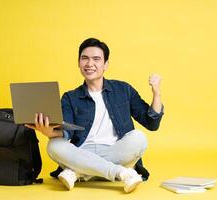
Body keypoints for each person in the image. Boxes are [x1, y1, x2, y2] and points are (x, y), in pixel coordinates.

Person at [25, 38, 164, 193]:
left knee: (139, 138)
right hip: (82, 150)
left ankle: (78, 172)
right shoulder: (70, 97)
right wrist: (47, 131)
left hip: (114, 150)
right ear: (78, 63)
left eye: (96, 59)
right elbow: (66, 133)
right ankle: (121, 173)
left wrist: (156, 93)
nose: (89, 64)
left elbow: (151, 124)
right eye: (85, 58)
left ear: (105, 65)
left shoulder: (124, 89)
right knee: (54, 145)